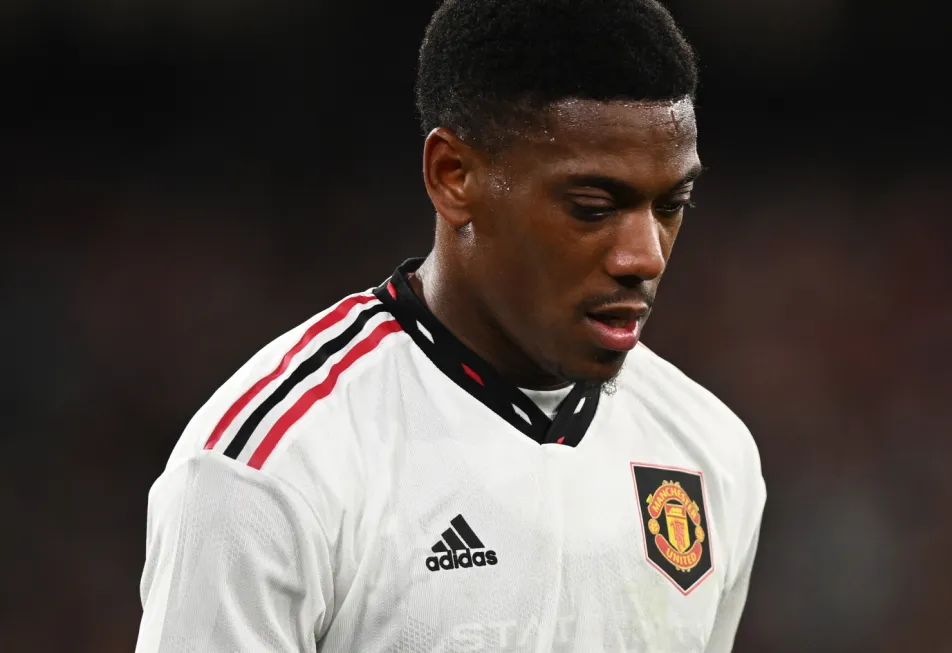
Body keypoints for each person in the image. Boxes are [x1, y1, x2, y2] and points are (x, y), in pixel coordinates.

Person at [135, 0, 765, 650]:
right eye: (592, 206)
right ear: (452, 175)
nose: (645, 255)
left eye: (671, 204)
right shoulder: (267, 468)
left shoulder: (710, 451)